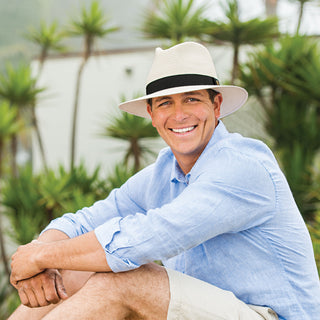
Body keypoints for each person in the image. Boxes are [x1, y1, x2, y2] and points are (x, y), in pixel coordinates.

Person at [9, 42, 320, 320]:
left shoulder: (241, 166)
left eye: (192, 99)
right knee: (72, 271)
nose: (179, 115)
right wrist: (38, 255)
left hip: (269, 316)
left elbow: (148, 237)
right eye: (165, 103)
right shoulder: (162, 173)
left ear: (216, 106)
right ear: (151, 113)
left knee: (126, 279)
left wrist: (37, 257)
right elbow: (87, 221)